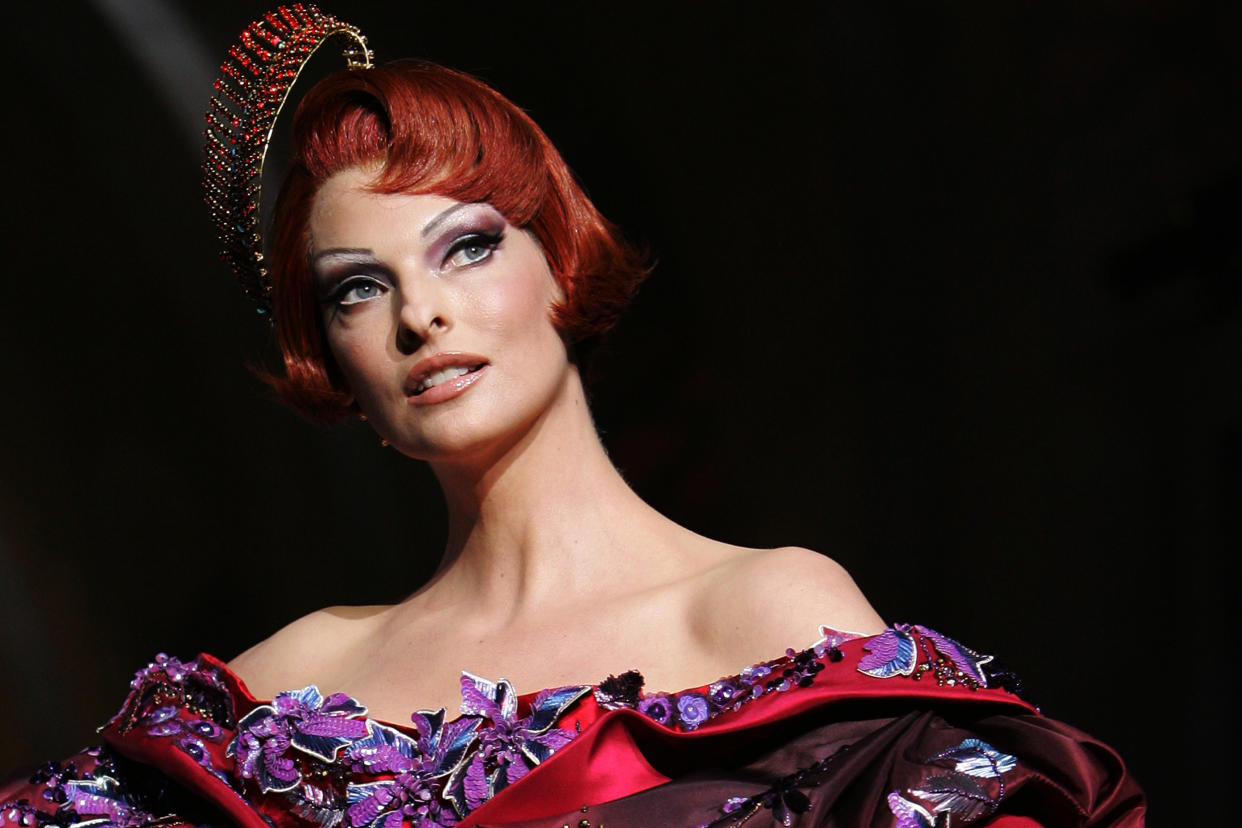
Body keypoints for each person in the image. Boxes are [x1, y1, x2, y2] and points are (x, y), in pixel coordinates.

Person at [1, 7, 1143, 827]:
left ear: (561, 265)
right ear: (332, 361)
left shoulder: (764, 611)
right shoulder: (285, 690)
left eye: (468, 245)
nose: (420, 315)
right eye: (358, 286)